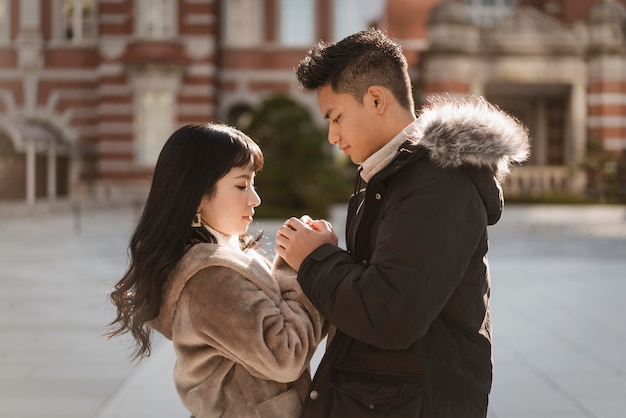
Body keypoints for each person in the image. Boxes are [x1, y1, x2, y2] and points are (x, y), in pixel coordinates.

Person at [275, 28, 530, 417]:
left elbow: (390, 314)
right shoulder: (386, 175)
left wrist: (317, 259)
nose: (332, 136)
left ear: (376, 98)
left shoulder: (437, 181)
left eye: (336, 117)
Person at [106, 123, 326, 418]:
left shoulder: (223, 256)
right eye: (241, 185)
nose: (255, 199)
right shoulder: (209, 278)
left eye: (253, 183)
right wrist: (302, 265)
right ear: (197, 194)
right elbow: (284, 355)